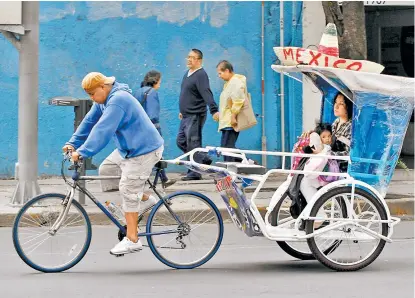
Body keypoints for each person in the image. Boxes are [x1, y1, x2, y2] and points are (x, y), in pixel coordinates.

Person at [62, 72, 164, 256]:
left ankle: (133, 239)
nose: (91, 98)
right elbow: (89, 122)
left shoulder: (118, 100)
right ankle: (145, 200)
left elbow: (103, 130)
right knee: (107, 169)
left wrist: (82, 152)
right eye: (89, 95)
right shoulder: (103, 100)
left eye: (92, 94)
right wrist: (72, 143)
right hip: (128, 148)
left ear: (103, 87)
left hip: (144, 149)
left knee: (127, 189)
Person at [177, 48, 220, 180]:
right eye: (188, 57)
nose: (189, 59)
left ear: (199, 60)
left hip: (195, 115)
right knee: (181, 141)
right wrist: (182, 111)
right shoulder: (187, 73)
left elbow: (206, 92)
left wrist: (214, 110)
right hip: (186, 115)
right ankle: (203, 159)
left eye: (192, 57)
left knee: (193, 144)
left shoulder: (201, 74)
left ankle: (195, 172)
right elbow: (187, 94)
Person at [134, 70, 176, 189]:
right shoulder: (151, 92)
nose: (160, 84)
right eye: (160, 82)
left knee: (150, 154)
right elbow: (152, 114)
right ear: (155, 81)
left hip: (138, 128)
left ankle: (163, 178)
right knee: (157, 151)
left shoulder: (138, 91)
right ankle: (161, 179)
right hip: (151, 128)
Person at [216, 60, 246, 162]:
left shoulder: (236, 82)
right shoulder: (229, 83)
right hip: (226, 121)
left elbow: (238, 100)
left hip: (230, 122)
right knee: (227, 147)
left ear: (227, 71)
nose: (219, 76)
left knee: (226, 148)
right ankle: (246, 161)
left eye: (220, 73)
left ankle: (229, 173)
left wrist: (233, 116)